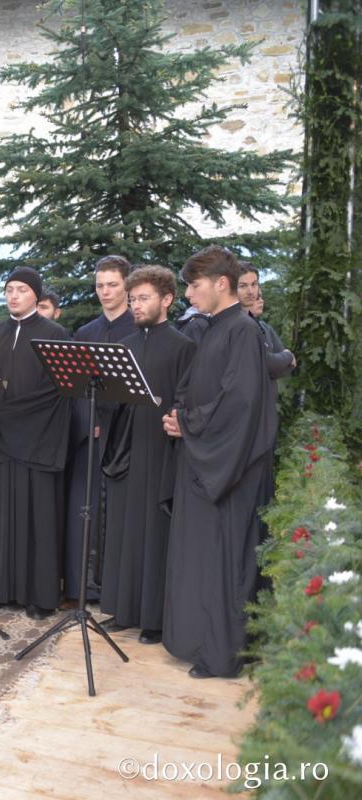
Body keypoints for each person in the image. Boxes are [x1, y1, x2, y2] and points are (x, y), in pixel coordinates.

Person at [163, 246, 276, 679]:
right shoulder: (212, 328)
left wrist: (188, 424)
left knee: (227, 561)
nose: (189, 294)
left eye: (194, 286)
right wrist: (179, 417)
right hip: (204, 458)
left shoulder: (243, 332)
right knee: (204, 560)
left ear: (220, 284)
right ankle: (199, 641)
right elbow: (194, 386)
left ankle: (223, 652)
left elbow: (240, 403)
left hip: (232, 470)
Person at [100, 266, 195, 644]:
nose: (135, 305)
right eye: (133, 298)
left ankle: (153, 619)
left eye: (144, 298)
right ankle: (124, 611)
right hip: (126, 449)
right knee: (123, 529)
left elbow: (187, 398)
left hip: (160, 450)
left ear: (167, 300)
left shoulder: (183, 346)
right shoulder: (125, 344)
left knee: (154, 533)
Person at [0, 266, 71, 619]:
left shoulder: (55, 334)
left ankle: (39, 597)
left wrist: (9, 411)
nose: (13, 296)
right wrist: (0, 410)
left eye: (21, 290)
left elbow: (58, 393)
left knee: (37, 520)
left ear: (36, 296)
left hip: (36, 441)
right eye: (10, 289)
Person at [64, 256, 136, 603]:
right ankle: (83, 586)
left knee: (117, 515)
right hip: (90, 435)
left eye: (112, 285)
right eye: (100, 286)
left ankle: (114, 590)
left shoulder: (139, 328)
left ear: (127, 286)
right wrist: (87, 421)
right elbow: (76, 388)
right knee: (84, 511)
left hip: (125, 437)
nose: (105, 292)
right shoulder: (86, 332)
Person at [238, 262, 296, 381]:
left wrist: (278, 362)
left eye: (254, 284)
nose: (250, 291)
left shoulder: (264, 327)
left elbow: (286, 367)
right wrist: (288, 355)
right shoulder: (233, 323)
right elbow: (264, 363)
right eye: (243, 286)